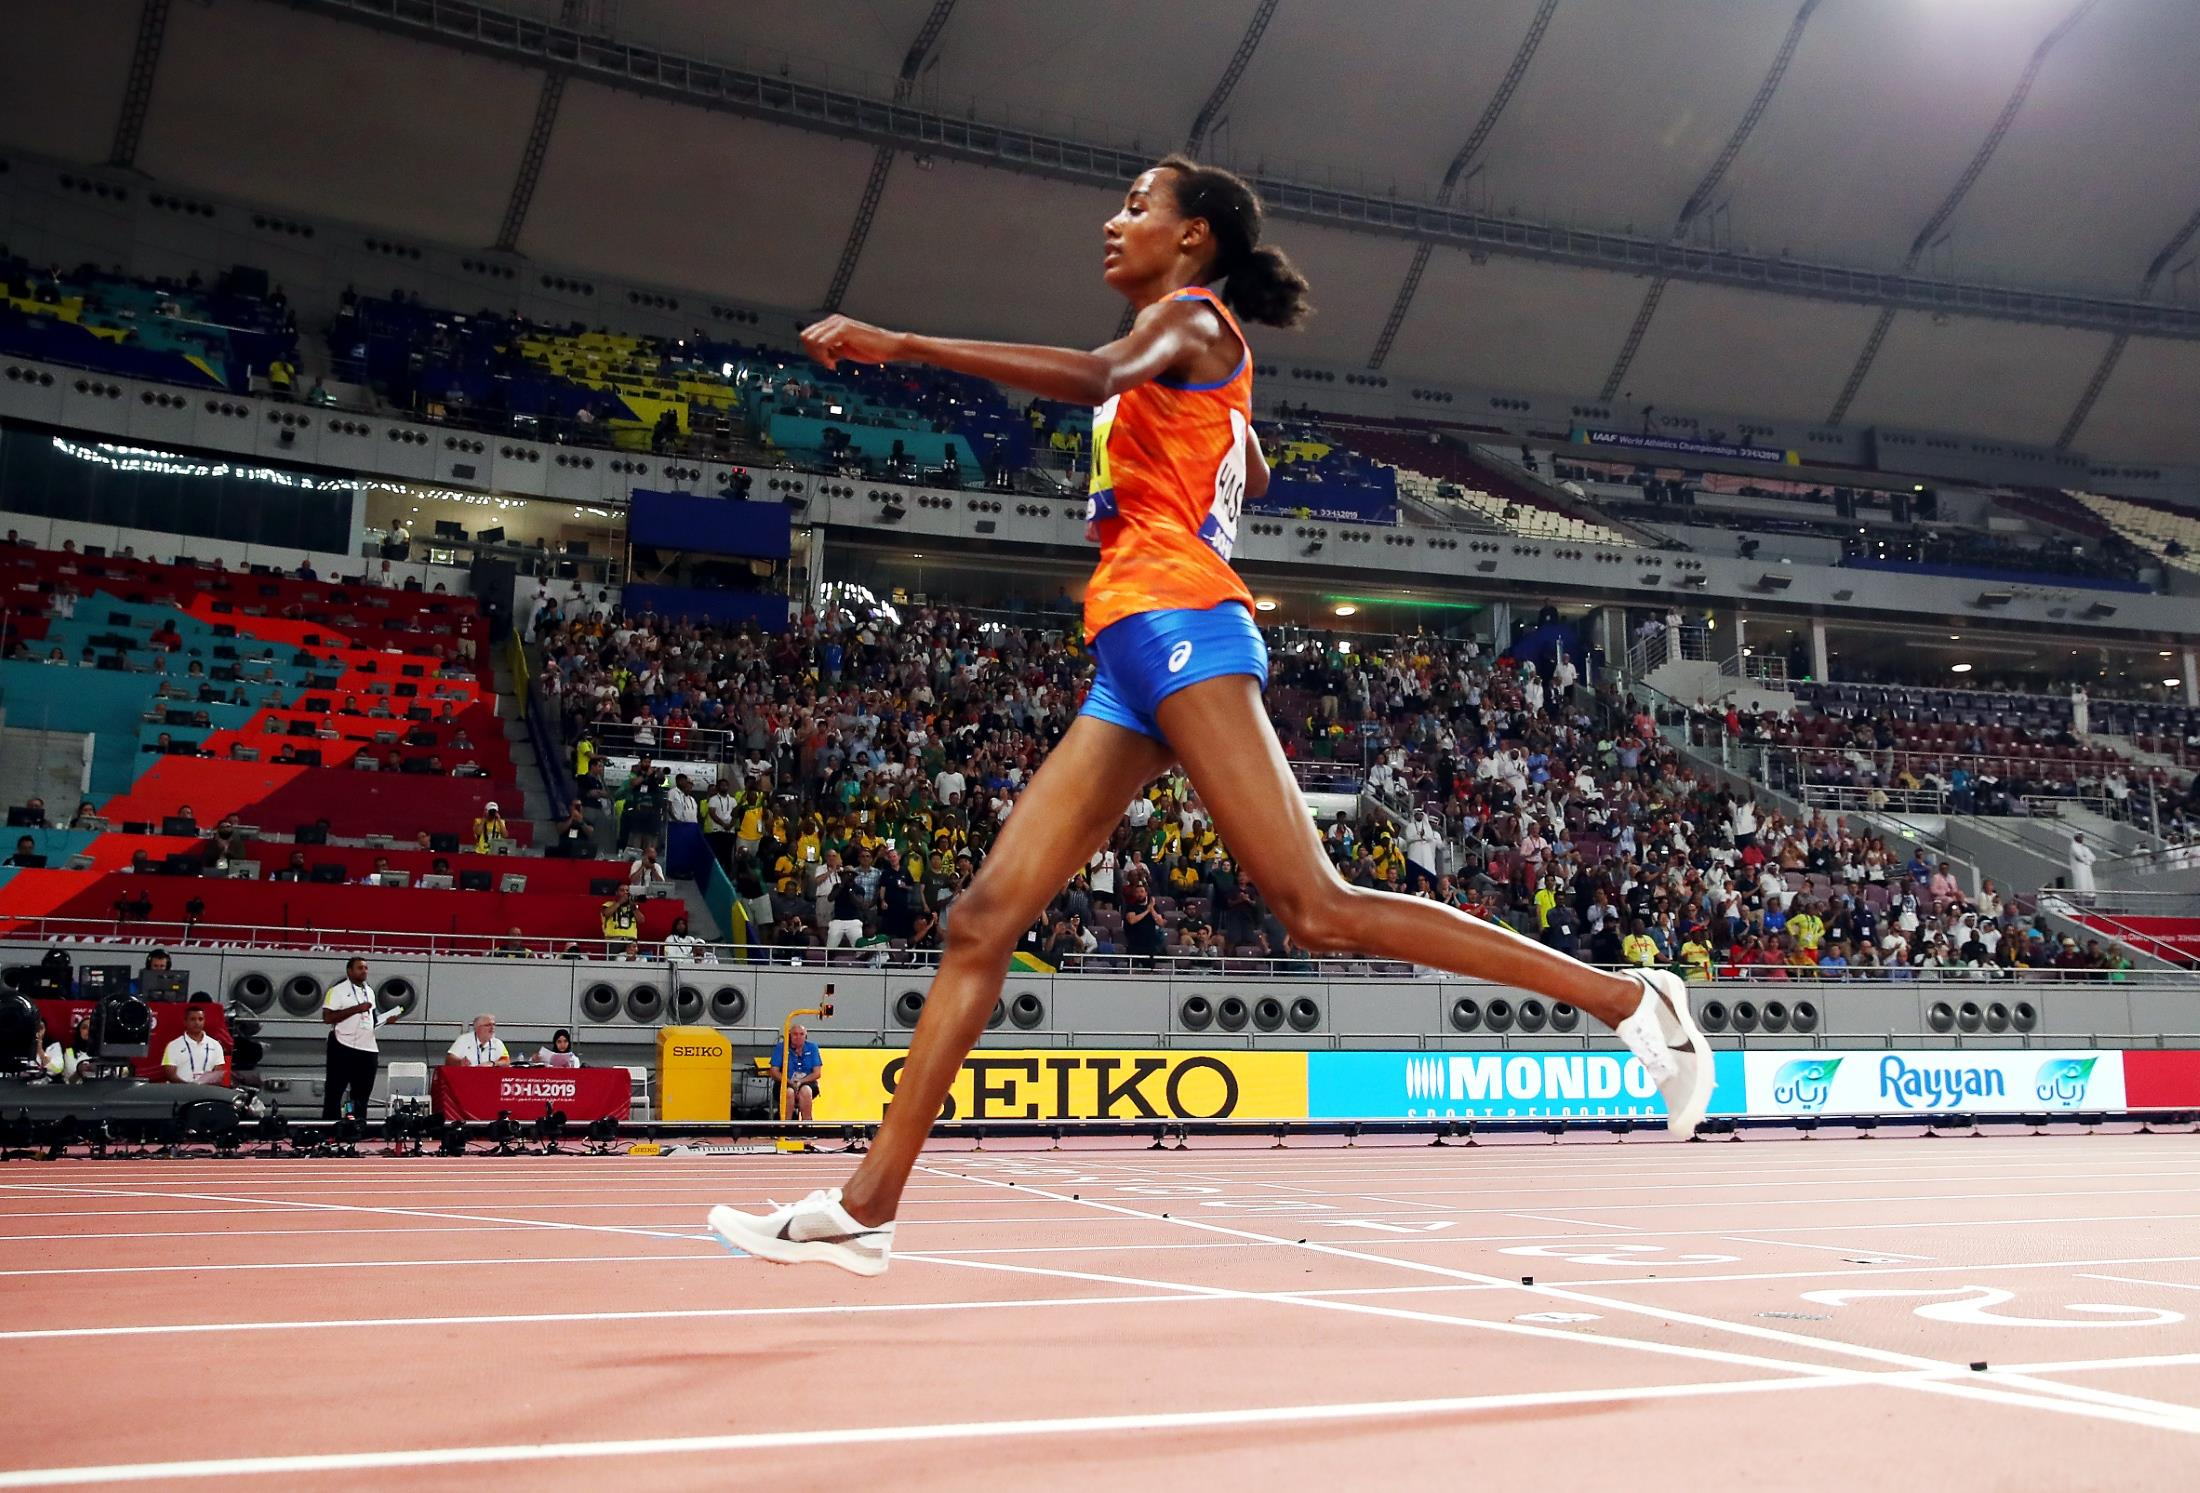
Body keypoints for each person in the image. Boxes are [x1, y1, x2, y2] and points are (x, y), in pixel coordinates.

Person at [707, 155, 1709, 1277]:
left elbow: (1100, 377)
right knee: (981, 920)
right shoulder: (1190, 349)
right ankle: (867, 1207)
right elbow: (1253, 467)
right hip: (1127, 650)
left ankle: (1631, 998)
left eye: (1137, 205)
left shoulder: (1188, 320)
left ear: (1192, 238)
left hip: (1183, 623)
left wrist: (901, 345)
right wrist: (1213, 437)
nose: (1112, 220)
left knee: (1315, 908)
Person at [322, 956, 387, 1120]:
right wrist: (356, 1009)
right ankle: (331, 1127)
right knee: (335, 1091)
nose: (364, 971)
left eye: (366, 968)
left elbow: (372, 1019)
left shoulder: (369, 991)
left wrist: (387, 1019)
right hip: (343, 1045)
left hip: (368, 1047)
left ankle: (358, 1125)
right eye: (360, 968)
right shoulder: (336, 991)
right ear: (349, 971)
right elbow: (327, 1018)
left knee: (362, 1094)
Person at [769, 1021, 823, 1122]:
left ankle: (807, 1124)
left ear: (806, 1036)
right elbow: (774, 1071)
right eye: (795, 1034)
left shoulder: (812, 1047)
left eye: (801, 1034)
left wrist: (801, 1081)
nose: (798, 1037)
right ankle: (785, 1125)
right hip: (785, 1082)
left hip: (807, 1082)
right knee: (788, 1092)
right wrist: (789, 1082)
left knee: (806, 1091)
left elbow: (817, 1073)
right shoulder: (781, 1047)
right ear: (790, 1035)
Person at [160, 1004, 225, 1084]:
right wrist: (190, 1087)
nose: (197, 1022)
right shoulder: (172, 1046)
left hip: (206, 1090)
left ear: (204, 1021)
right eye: (193, 1019)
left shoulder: (216, 1045)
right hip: (180, 1090)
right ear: (185, 1021)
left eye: (200, 1019)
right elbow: (170, 1075)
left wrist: (203, 1087)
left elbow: (218, 1074)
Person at [445, 1013, 510, 1067]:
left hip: (490, 1076)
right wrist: (460, 1062)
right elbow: (449, 1059)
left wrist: (493, 1063)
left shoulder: (498, 1042)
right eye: (488, 1025)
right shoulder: (463, 1039)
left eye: (494, 1025)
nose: (492, 1028)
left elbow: (506, 1061)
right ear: (477, 1028)